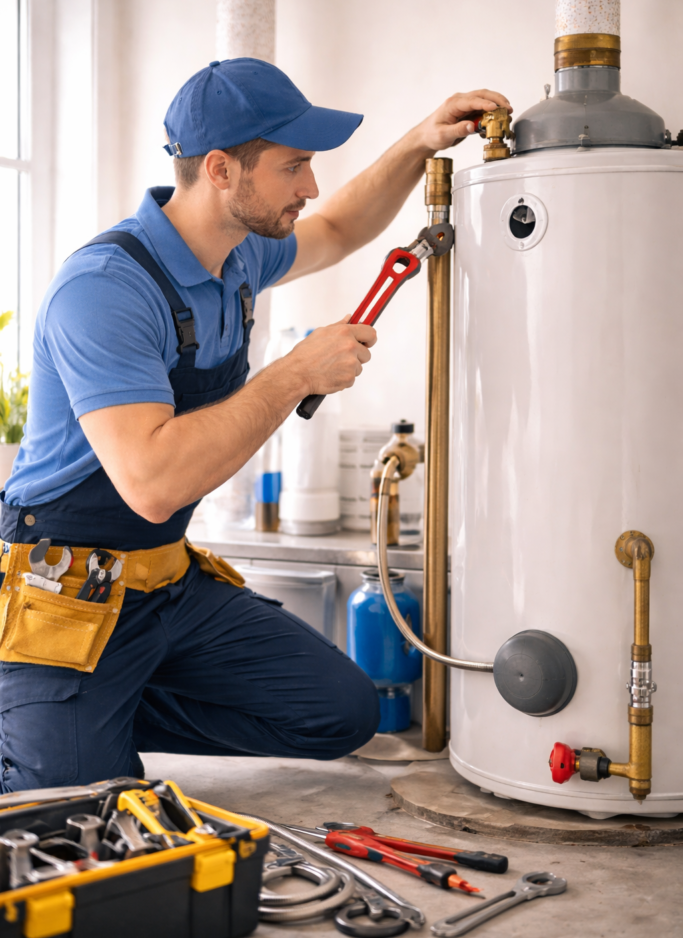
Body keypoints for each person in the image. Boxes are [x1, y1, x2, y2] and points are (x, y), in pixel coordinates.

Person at [0, 59, 511, 791]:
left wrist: (417, 143)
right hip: (67, 596)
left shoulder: (237, 257)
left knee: (340, 714)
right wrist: (295, 373)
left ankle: (86, 712)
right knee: (83, 806)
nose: (309, 187)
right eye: (293, 166)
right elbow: (151, 483)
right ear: (219, 170)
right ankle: (34, 717)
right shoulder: (105, 290)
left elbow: (337, 229)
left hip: (164, 586)